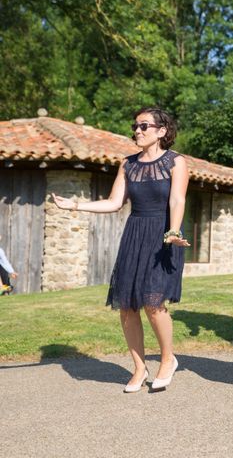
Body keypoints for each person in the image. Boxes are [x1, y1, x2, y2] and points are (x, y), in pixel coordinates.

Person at [53, 107, 190, 393]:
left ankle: (168, 359)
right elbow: (114, 202)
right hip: (135, 235)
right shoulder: (128, 165)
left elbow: (177, 200)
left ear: (161, 131)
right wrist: (75, 205)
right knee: (127, 307)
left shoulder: (176, 162)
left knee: (153, 303)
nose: (137, 131)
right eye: (135, 126)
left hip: (164, 235)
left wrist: (174, 231)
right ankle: (139, 367)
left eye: (144, 126)